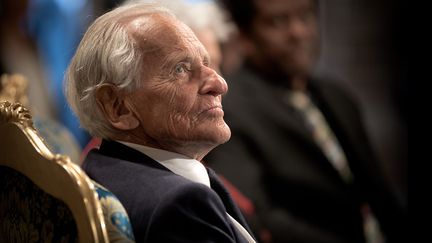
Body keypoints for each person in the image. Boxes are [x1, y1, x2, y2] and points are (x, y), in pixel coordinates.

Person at [204, 0, 407, 243]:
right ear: (245, 35)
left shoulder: (336, 95)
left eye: (306, 16)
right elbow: (258, 217)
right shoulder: (231, 108)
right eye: (278, 22)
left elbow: (377, 193)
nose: (299, 32)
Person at [64, 3, 256, 243]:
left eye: (208, 64)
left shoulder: (103, 166)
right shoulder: (180, 206)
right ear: (118, 107)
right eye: (181, 69)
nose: (219, 84)